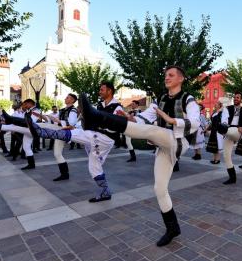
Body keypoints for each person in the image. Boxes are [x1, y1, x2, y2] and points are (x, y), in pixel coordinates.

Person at [77, 65, 200, 247]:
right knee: (159, 189)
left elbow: (196, 122)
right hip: (163, 145)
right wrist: (129, 118)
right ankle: (172, 228)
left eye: (171, 75)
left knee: (152, 131)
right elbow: (143, 118)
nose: (167, 77)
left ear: (181, 78)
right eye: (166, 75)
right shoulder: (160, 100)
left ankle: (97, 117)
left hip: (179, 141)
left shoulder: (188, 99)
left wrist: (172, 120)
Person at [0, 99, 40, 170]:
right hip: (28, 130)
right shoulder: (29, 110)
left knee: (12, 127)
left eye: (24, 104)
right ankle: (31, 164)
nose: (23, 106)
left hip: (31, 129)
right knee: (26, 146)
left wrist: (12, 119)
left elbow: (30, 122)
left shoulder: (36, 110)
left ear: (29, 103)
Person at [218, 92, 242, 184]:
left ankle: (218, 129)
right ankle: (232, 178)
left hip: (238, 132)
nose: (236, 98)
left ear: (241, 100)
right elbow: (224, 120)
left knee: (228, 129)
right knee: (226, 156)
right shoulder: (227, 109)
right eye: (235, 97)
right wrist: (225, 127)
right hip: (228, 131)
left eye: (238, 97)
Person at [41, 95, 78, 181]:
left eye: (67, 98)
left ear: (72, 100)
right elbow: (53, 120)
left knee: (57, 153)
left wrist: (58, 121)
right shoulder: (63, 110)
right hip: (60, 130)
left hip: (65, 132)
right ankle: (65, 174)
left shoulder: (73, 110)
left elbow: (71, 124)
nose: (65, 98)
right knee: (57, 154)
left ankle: (65, 174)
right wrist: (44, 117)